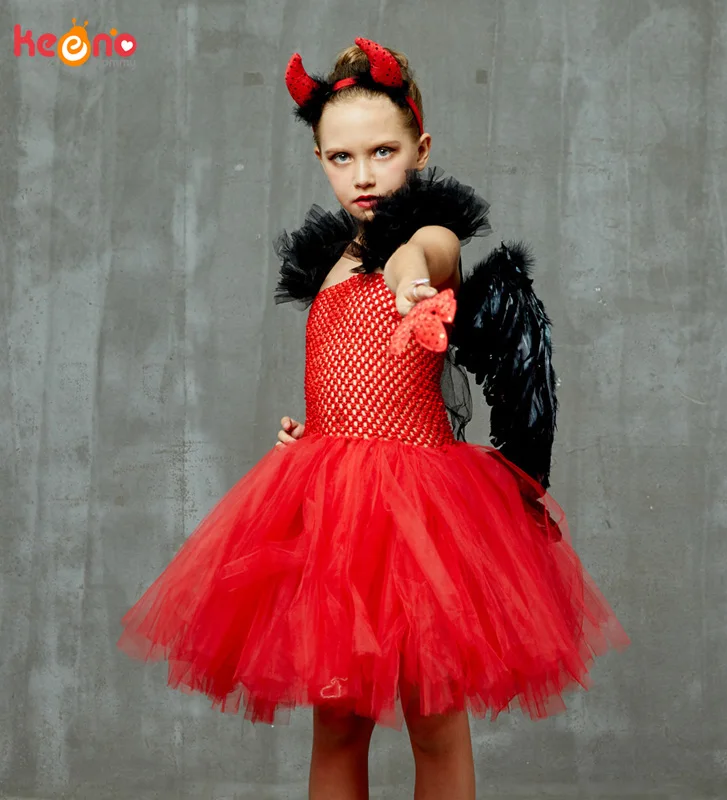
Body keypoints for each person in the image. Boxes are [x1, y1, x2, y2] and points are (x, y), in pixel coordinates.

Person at [118, 37, 629, 800]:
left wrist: (409, 271)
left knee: (434, 718)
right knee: (338, 721)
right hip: (332, 506)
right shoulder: (329, 262)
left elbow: (426, 253)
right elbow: (343, 373)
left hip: (422, 511)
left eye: (383, 152)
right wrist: (311, 433)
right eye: (341, 157)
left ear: (421, 150)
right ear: (320, 159)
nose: (362, 175)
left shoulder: (431, 240)